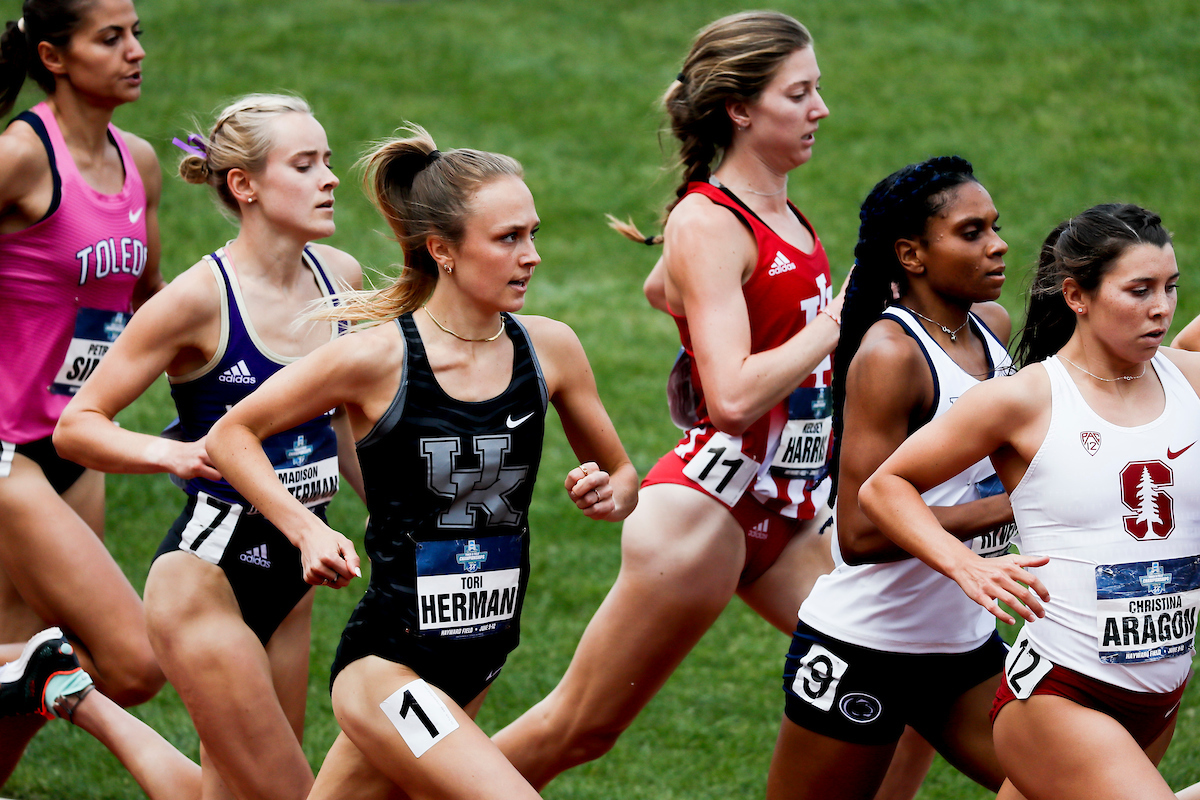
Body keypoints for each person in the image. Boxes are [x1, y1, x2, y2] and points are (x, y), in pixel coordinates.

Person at [489, 13, 946, 795]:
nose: (820, 110)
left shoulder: (771, 211)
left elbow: (662, 285)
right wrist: (838, 323)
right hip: (707, 511)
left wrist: (703, 304)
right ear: (741, 108)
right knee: (580, 728)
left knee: (907, 703)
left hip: (790, 508)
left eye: (817, 91)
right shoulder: (710, 219)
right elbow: (733, 395)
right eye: (798, 93)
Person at [203, 124, 637, 800]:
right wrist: (306, 528)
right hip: (388, 664)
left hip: (482, 655)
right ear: (443, 251)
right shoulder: (376, 359)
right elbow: (233, 432)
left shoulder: (551, 350)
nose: (533, 256)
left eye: (533, 233)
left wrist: (610, 492)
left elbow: (622, 474)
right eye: (508, 239)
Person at [55, 93, 363, 800]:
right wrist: (174, 454)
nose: (330, 178)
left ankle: (66, 690)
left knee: (230, 794)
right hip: (208, 575)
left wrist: (396, 515)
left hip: (294, 571)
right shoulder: (199, 300)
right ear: (244, 185)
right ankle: (88, 705)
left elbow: (343, 421)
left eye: (328, 161)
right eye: (306, 163)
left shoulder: (339, 278)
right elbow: (79, 424)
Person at [859, 203, 1200, 800]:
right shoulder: (1024, 399)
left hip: (1158, 694)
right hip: (1061, 696)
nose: (1161, 308)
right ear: (1077, 295)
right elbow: (883, 486)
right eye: (1139, 289)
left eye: (1170, 288)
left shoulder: (1188, 379)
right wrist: (965, 563)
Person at [764, 156, 1019, 800]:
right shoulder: (890, 355)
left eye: (994, 226)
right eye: (971, 232)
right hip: (864, 650)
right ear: (911, 255)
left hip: (964, 649)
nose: (998, 244)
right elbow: (858, 535)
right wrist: (1010, 509)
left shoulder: (992, 330)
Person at [0, 0, 198, 788]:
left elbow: (145, 302)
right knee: (131, 663)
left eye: (137, 33)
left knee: (18, 651)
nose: (135, 52)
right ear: (54, 55)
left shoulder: (138, 161)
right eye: (110, 38)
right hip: (6, 452)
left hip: (74, 444)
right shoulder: (21, 156)